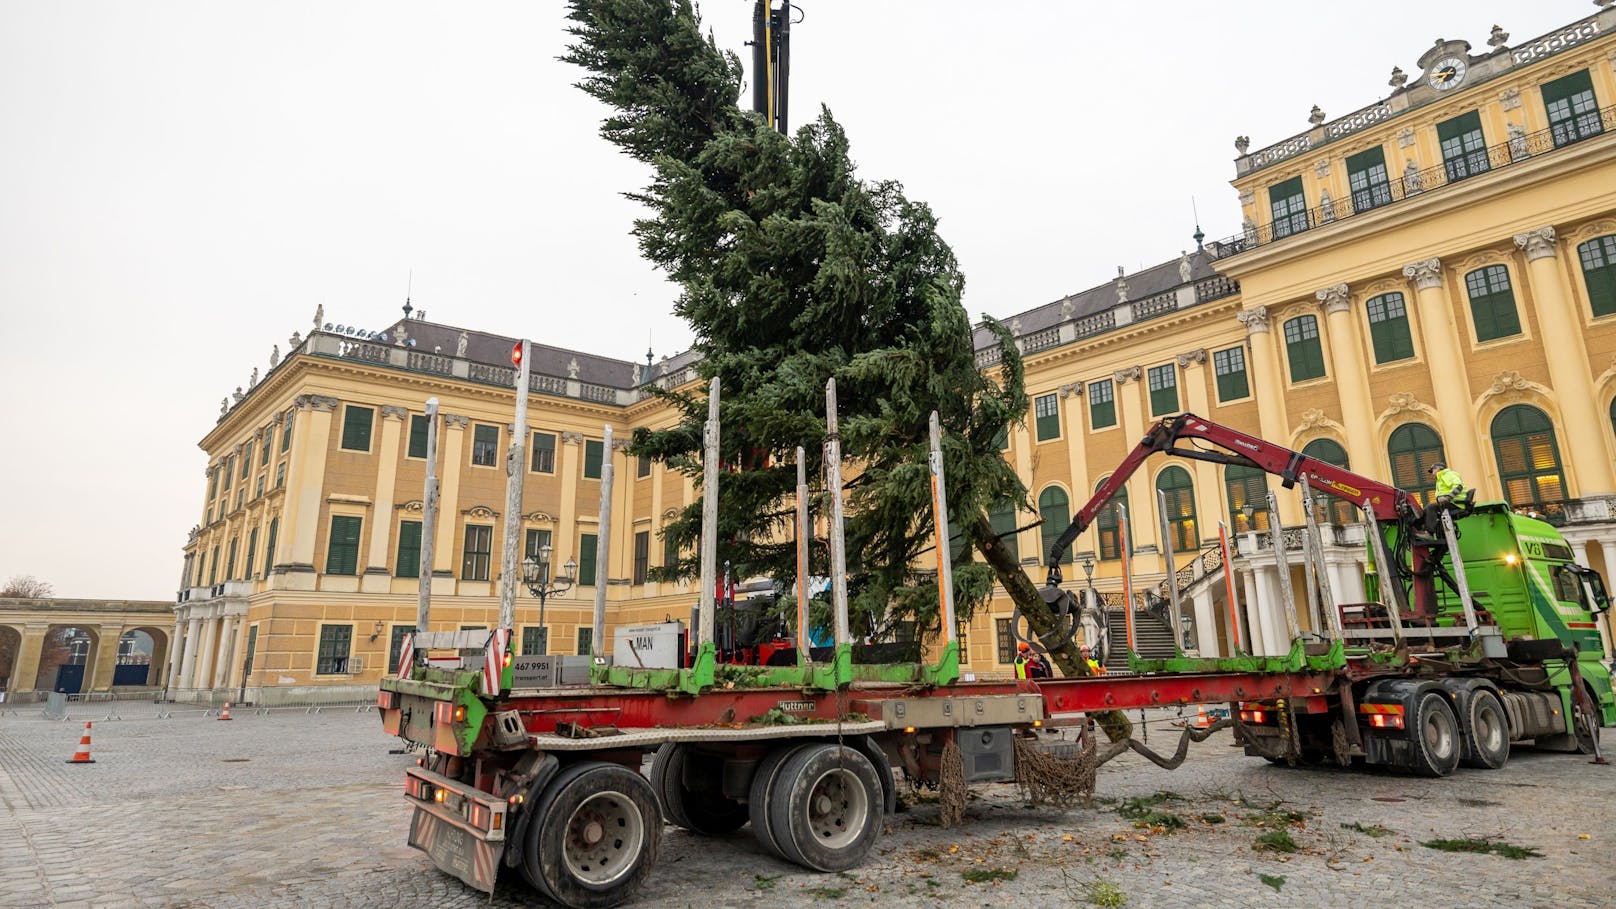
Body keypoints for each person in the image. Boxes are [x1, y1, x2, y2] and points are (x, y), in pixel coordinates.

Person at [1423, 461, 1468, 536]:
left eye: (1432, 470)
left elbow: (1459, 486)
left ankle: (1429, 534)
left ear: (1438, 469)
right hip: (1452, 503)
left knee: (1431, 508)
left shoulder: (1447, 474)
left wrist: (1448, 497)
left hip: (1456, 504)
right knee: (1425, 511)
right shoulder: (1441, 478)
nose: (1432, 473)